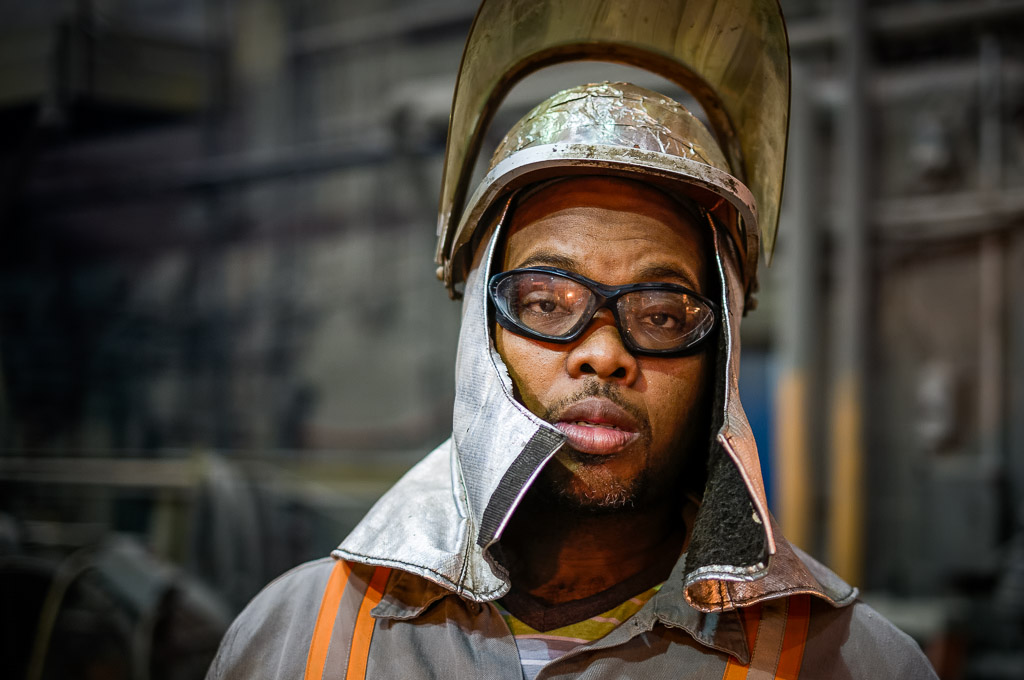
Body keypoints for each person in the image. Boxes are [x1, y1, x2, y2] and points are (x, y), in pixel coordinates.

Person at [207, 1, 939, 678]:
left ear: (719, 355)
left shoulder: (855, 663)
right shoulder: (296, 638)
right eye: (546, 302)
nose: (603, 353)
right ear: (480, 334)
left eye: (660, 314)